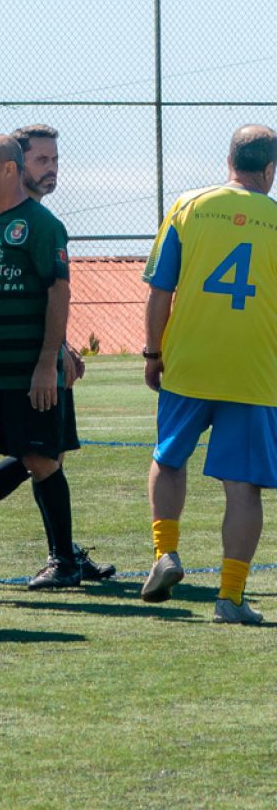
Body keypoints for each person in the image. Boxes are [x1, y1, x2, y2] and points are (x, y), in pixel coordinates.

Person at [0, 124, 115, 583]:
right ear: (19, 164)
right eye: (43, 160)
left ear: (7, 170)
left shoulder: (43, 225)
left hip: (28, 372)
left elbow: (56, 292)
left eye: (55, 161)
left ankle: (63, 560)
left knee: (42, 458)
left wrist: (50, 358)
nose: (51, 170)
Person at [139, 124, 277, 625]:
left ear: (228, 161)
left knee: (169, 458)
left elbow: (159, 291)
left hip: (188, 363)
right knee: (243, 488)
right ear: (269, 170)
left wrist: (153, 353)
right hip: (254, 372)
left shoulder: (187, 206)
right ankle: (231, 598)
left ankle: (165, 553)